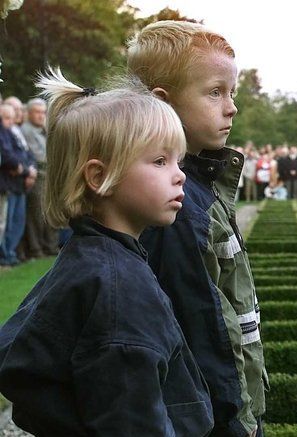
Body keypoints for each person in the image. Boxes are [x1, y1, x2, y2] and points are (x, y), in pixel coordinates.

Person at [0, 69, 213, 435]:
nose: (180, 176)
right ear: (98, 177)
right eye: (160, 161)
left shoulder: (92, 258)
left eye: (178, 161)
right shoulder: (119, 289)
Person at [129, 21, 266, 437]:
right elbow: (208, 337)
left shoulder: (197, 186)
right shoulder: (180, 208)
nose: (232, 107)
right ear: (163, 104)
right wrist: (238, 423)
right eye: (214, 92)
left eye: (232, 93)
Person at [21, 98, 58, 258]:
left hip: (47, 176)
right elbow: (39, 156)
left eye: (43, 112)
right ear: (28, 113)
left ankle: (50, 247)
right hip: (38, 177)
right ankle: (36, 249)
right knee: (36, 215)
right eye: (37, 112)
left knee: (49, 213)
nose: (41, 116)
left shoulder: (43, 129)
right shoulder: (26, 130)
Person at [0, 103, 36, 266]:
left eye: (10, 117)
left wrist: (28, 170)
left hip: (18, 182)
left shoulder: (13, 132)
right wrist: (25, 171)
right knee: (6, 222)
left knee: (17, 220)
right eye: (6, 117)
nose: (10, 120)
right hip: (8, 183)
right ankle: (6, 254)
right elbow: (8, 156)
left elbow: (26, 153)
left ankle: (10, 253)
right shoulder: (4, 132)